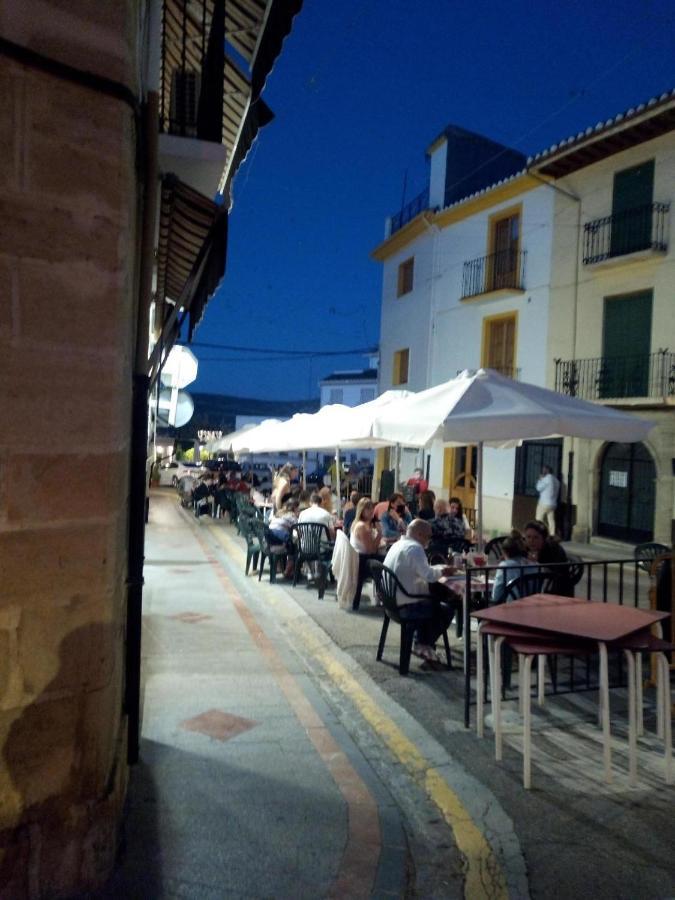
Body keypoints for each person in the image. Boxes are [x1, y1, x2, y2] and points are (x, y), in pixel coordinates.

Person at [383, 519, 455, 662]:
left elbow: (421, 571)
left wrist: (438, 570)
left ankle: (420, 641)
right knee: (446, 609)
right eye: (428, 536)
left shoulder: (398, 544)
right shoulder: (415, 548)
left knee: (432, 602)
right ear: (420, 534)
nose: (429, 540)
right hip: (406, 605)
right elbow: (428, 576)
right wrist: (444, 572)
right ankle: (422, 644)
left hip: (390, 602)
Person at [523, 519, 573, 596]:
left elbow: (556, 573)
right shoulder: (524, 548)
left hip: (556, 592)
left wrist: (537, 563)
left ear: (544, 539)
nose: (531, 541)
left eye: (536, 537)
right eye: (528, 537)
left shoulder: (553, 549)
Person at [350, 498, 384, 610]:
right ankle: (384, 595)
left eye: (372, 508)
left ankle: (381, 594)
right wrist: (379, 533)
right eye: (367, 509)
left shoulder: (358, 524)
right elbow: (371, 550)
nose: (371, 511)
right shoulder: (362, 527)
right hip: (362, 561)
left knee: (385, 559)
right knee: (388, 563)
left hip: (360, 558)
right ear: (361, 511)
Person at [490, 533, 537, 604]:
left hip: (511, 608)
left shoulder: (505, 566)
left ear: (504, 552)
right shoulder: (535, 565)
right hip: (534, 606)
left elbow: (496, 596)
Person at [535, 466, 560, 536]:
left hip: (544, 503)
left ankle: (541, 533)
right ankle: (552, 535)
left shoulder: (547, 478)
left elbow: (538, 488)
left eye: (544, 470)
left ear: (547, 471)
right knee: (551, 520)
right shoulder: (557, 481)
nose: (542, 471)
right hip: (553, 504)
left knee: (538, 519)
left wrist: (540, 479)